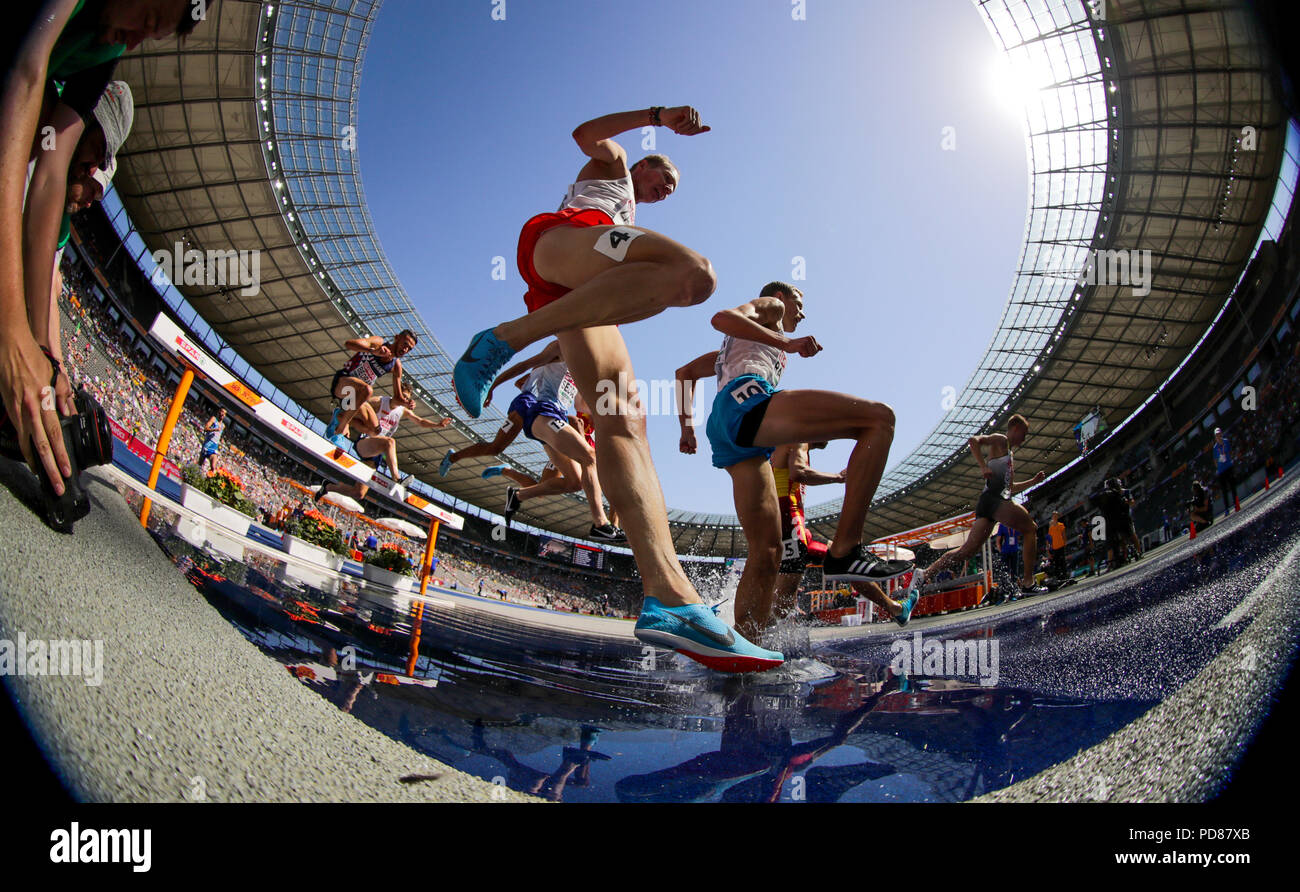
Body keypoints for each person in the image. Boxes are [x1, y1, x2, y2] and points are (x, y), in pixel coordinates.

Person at [452, 107, 782, 673]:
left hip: (584, 295)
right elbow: (584, 133)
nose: (666, 191)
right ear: (648, 163)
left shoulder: (628, 215)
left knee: (624, 420)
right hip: (564, 243)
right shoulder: (617, 165)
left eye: (672, 189)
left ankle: (669, 599)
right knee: (693, 274)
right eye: (665, 181)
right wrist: (657, 115)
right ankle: (503, 337)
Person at [2, 1, 209, 499]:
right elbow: (27, 74)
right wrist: (11, 336)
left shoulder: (105, 48)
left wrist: (48, 361)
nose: (135, 42)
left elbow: (51, 175)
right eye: (150, 20)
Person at [676, 283, 914, 640]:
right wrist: (785, 342)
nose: (800, 315)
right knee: (880, 420)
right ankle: (846, 549)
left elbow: (684, 374)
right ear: (781, 299)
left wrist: (687, 429)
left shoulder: (733, 350)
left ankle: (745, 642)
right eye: (798, 305)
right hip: (747, 404)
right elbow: (721, 317)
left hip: (729, 431)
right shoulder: (770, 308)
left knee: (769, 551)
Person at [769, 442, 917, 632]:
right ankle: (756, 635)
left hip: (793, 526)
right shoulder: (799, 439)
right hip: (789, 525)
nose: (829, 439)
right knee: (784, 599)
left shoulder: (785, 443)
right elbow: (798, 473)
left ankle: (896, 608)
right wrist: (839, 477)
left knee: (844, 560)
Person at [922, 414, 1047, 594]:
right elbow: (973, 441)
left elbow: (1010, 487)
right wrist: (983, 467)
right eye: (1024, 433)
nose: (1024, 439)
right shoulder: (1001, 440)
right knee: (1030, 529)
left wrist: (1033, 481)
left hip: (989, 502)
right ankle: (1028, 582)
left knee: (966, 552)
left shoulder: (1009, 454)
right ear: (1016, 429)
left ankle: (926, 572)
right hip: (995, 501)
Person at [315, 394, 450, 505]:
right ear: (397, 394)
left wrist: (438, 424)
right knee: (390, 443)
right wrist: (346, 426)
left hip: (377, 451)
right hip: (365, 442)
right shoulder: (381, 401)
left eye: (407, 399)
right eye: (403, 397)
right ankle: (397, 479)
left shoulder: (403, 410)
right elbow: (360, 405)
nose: (405, 401)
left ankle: (327, 486)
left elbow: (420, 421)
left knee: (359, 493)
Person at [323, 331, 417, 448]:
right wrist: (373, 351)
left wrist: (407, 403)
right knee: (367, 390)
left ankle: (340, 416)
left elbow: (398, 397)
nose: (405, 350)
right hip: (344, 385)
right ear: (397, 338)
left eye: (409, 348)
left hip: (357, 399)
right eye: (405, 344)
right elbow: (349, 344)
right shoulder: (378, 343)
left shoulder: (396, 365)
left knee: (375, 431)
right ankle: (340, 431)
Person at [1212, 427, 1238, 518]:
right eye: (1216, 435)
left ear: (1221, 434)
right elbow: (1215, 460)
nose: (1218, 436)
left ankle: (1236, 504)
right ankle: (1227, 509)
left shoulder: (1226, 442)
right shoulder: (1215, 448)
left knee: (1232, 486)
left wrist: (1229, 461)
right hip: (1221, 471)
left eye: (1219, 434)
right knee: (1224, 491)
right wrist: (1219, 467)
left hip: (1229, 467)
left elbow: (1230, 452)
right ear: (1215, 437)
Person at [198, 406, 226, 474]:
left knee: (213, 467)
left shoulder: (223, 426)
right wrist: (214, 429)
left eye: (224, 413)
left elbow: (219, 434)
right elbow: (206, 428)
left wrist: (221, 440)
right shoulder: (214, 419)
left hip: (214, 446)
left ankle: (210, 480)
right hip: (208, 444)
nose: (222, 414)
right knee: (200, 464)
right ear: (219, 412)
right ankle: (194, 474)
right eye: (222, 412)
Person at [1047, 511, 1068, 579]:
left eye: (1056, 516)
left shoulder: (1061, 525)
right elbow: (1049, 538)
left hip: (1061, 545)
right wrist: (1049, 548)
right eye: (1054, 516)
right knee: (1056, 562)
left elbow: (1064, 534)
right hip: (1054, 547)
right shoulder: (1051, 528)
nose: (1055, 517)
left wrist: (1065, 542)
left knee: (1063, 561)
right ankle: (1058, 576)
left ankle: (1065, 575)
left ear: (1058, 517)